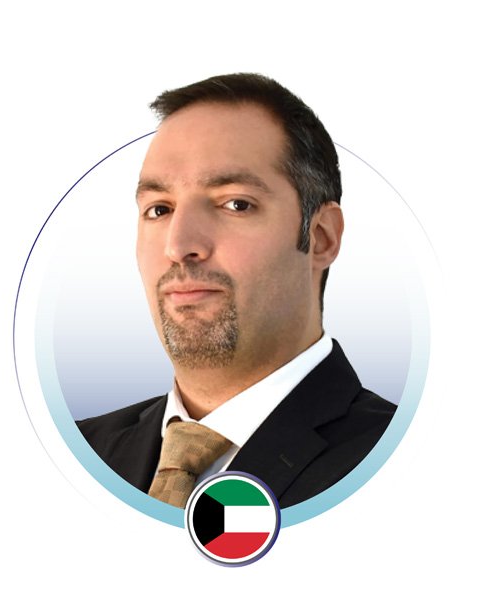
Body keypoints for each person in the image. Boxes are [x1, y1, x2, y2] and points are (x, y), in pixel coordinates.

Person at [77, 73, 396, 509]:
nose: (178, 246)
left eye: (236, 204)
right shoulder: (78, 452)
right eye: (159, 209)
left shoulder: (399, 461)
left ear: (321, 237)